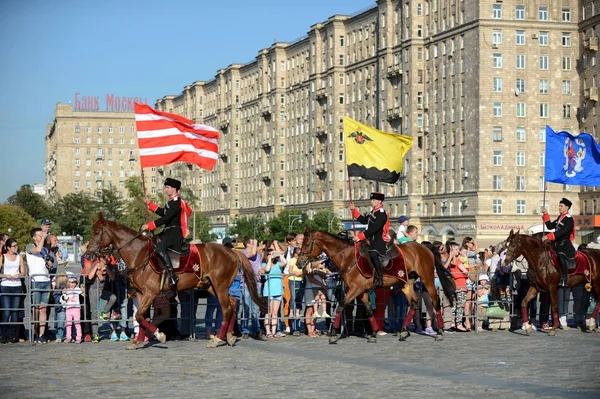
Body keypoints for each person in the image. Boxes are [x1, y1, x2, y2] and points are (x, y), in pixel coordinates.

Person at [142, 177, 192, 287]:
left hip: (174, 232)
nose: (166, 190)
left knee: (159, 248)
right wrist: (149, 204)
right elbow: (162, 212)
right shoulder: (170, 202)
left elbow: (165, 218)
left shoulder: (176, 203)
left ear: (174, 188)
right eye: (166, 187)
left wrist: (149, 225)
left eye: (167, 187)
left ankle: (172, 275)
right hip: (168, 231)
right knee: (151, 242)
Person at [349, 192, 391, 288]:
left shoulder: (381, 214)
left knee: (373, 253)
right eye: (371, 200)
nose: (371, 202)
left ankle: (380, 277)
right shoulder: (374, 212)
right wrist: (353, 210)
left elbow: (373, 229)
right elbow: (363, 220)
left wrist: (359, 237)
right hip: (371, 239)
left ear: (380, 201)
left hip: (379, 239)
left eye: (374, 200)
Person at [542, 198, 576, 287]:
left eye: (561, 206)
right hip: (556, 243)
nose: (559, 208)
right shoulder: (560, 218)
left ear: (567, 207)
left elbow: (562, 232)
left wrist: (548, 236)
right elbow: (549, 226)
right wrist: (546, 214)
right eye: (559, 206)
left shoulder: (569, 219)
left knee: (561, 256)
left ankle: (564, 278)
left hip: (564, 244)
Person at [26, 228, 51, 343]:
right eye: (39, 235)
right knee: (35, 309)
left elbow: (46, 263)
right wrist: (44, 238)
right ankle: (34, 332)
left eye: (43, 235)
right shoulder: (29, 247)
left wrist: (49, 264)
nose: (42, 237)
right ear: (34, 237)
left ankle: (42, 334)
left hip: (46, 280)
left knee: (43, 309)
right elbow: (38, 249)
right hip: (36, 280)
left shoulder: (45, 250)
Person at [0, 238, 25, 343]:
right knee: (6, 312)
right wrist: (6, 275)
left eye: (16, 245)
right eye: (14, 246)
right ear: (8, 248)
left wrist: (18, 275)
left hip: (17, 286)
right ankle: (3, 335)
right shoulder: (3, 257)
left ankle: (12, 335)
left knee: (15, 312)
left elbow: (23, 272)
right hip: (5, 285)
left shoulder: (19, 257)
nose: (16, 248)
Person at [62, 274, 83, 343]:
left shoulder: (77, 289)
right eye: (71, 282)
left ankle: (79, 337)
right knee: (68, 323)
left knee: (77, 323)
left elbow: (83, 293)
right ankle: (68, 337)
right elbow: (64, 298)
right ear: (68, 283)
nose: (73, 284)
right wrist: (64, 293)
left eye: (74, 283)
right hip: (68, 308)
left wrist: (83, 289)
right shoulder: (66, 290)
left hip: (76, 308)